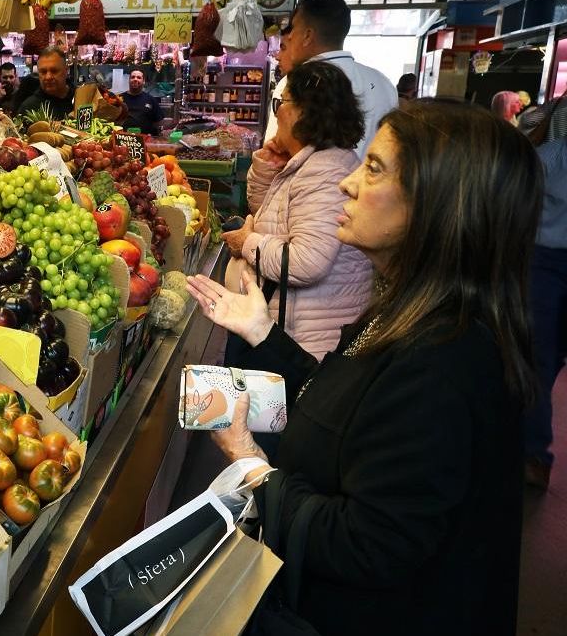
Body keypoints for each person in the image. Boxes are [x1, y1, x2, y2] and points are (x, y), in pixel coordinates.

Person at [188, 98, 537, 635]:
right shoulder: (410, 313)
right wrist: (263, 332)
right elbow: (346, 409)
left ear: (438, 204)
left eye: (373, 168)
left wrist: (248, 462)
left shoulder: (445, 362)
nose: (349, 184)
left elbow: (368, 545)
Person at [220, 61, 373, 358]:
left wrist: (247, 243)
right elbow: (275, 219)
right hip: (296, 332)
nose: (277, 113)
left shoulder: (325, 171)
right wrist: (266, 168)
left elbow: (307, 261)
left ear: (304, 110)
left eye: (281, 103)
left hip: (307, 344)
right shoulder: (311, 162)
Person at [268, 0, 397, 159]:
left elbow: (275, 152)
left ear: (307, 36)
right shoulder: (384, 83)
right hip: (365, 183)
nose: (290, 35)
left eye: (294, 27)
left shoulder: (296, 84)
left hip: (306, 183)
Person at [523, 95, 567, 488]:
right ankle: (533, 450)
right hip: (545, 257)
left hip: (543, 257)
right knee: (542, 359)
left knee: (540, 357)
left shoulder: (544, 122)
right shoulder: (552, 129)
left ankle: (534, 451)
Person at [16, 48, 75, 120]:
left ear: (66, 71)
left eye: (54, 71)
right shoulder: (29, 108)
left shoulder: (82, 97)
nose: (48, 77)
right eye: (43, 72)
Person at [121, 69, 164, 135]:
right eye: (132, 77)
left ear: (143, 81)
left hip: (145, 140)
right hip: (123, 139)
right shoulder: (120, 99)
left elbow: (158, 122)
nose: (135, 79)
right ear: (129, 80)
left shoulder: (151, 100)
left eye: (139, 77)